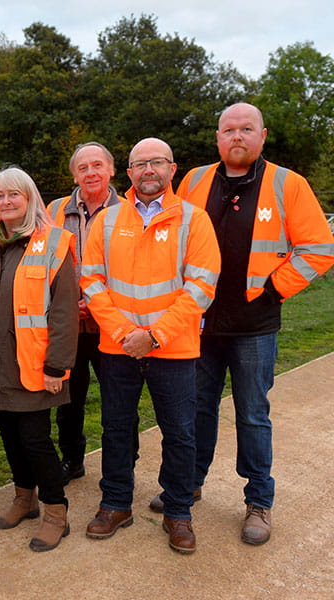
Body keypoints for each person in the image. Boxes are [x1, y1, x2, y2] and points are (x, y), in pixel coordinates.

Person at [149, 103, 334, 545]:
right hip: (200, 323)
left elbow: (319, 248)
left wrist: (270, 291)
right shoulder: (193, 180)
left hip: (254, 325)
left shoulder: (288, 184)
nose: (237, 137)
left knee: (252, 414)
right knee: (197, 410)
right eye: (229, 130)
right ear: (217, 138)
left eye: (246, 129)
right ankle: (189, 484)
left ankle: (259, 502)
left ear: (262, 135)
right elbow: (168, 233)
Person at [81, 138, 220, 554]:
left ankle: (178, 512)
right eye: (139, 164)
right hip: (118, 349)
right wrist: (127, 334)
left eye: (156, 162)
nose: (148, 171)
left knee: (180, 434)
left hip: (173, 351)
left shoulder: (194, 220)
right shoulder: (106, 221)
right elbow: (91, 280)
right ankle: (115, 503)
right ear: (128, 173)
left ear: (172, 168)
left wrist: (155, 335)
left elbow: (201, 286)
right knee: (116, 430)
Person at [0, 166, 78, 552]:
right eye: (0, 195)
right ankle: (23, 498)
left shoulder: (55, 243)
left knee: (35, 440)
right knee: (10, 436)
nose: (6, 201)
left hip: (33, 365)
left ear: (30, 200)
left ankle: (55, 512)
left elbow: (63, 313)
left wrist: (56, 367)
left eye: (15, 195)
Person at [46, 141, 123, 485]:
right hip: (69, 326)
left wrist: (96, 303)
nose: (90, 173)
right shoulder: (55, 210)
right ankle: (72, 459)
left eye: (97, 166)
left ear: (111, 170)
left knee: (118, 399)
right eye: (83, 167)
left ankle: (122, 462)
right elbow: (43, 259)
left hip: (112, 324)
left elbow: (137, 268)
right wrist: (63, 306)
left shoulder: (129, 210)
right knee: (68, 400)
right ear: (73, 174)